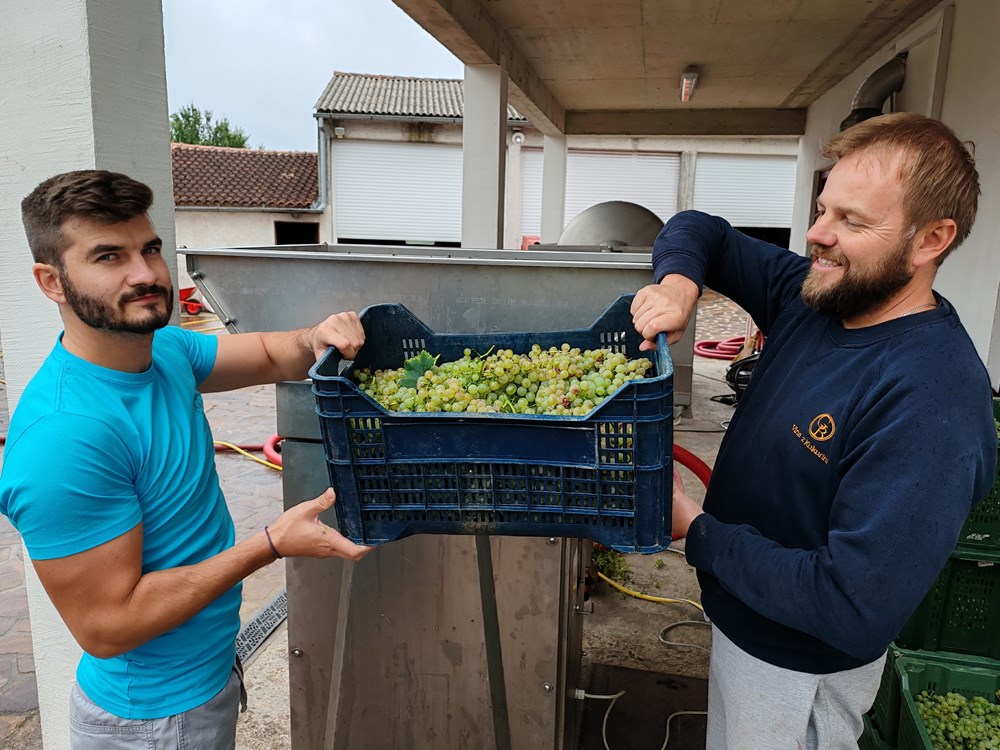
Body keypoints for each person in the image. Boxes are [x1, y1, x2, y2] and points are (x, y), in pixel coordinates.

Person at [631, 112, 997, 749]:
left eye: (852, 220)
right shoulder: (818, 297)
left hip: (798, 675)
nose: (817, 235)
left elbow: (853, 606)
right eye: (823, 208)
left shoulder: (932, 400)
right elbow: (699, 228)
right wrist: (680, 283)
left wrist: (696, 529)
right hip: (744, 620)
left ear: (931, 240)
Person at [0, 170, 370, 749]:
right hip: (152, 722)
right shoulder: (65, 437)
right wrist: (270, 544)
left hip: (202, 680)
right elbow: (106, 627)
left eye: (149, 249)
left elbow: (270, 353)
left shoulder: (165, 350)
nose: (145, 274)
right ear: (52, 281)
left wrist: (315, 337)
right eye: (108, 256)